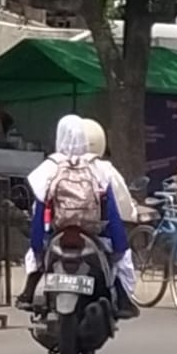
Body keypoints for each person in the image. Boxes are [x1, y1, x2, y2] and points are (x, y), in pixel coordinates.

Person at [16, 115, 137, 317]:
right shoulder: (101, 169)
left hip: (55, 235)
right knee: (122, 259)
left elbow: (39, 211)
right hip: (96, 235)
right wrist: (119, 246)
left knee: (35, 258)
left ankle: (28, 293)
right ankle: (124, 300)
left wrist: (37, 246)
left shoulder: (48, 168)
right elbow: (114, 212)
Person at [83, 117, 137, 224]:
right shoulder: (105, 170)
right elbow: (123, 208)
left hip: (56, 235)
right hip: (98, 234)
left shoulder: (53, 167)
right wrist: (133, 213)